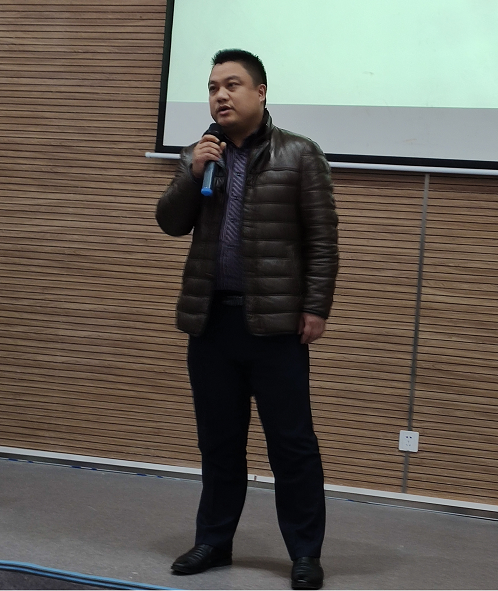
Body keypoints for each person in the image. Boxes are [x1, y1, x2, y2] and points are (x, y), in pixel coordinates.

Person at [155, 49, 338, 591]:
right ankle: (214, 541)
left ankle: (304, 552)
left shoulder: (300, 154)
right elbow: (170, 222)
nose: (220, 95)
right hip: (211, 322)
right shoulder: (199, 154)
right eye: (213, 87)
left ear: (260, 92)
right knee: (218, 442)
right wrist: (192, 173)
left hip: (276, 326)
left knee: (292, 445)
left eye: (232, 85)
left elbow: (323, 239)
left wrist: (316, 307)